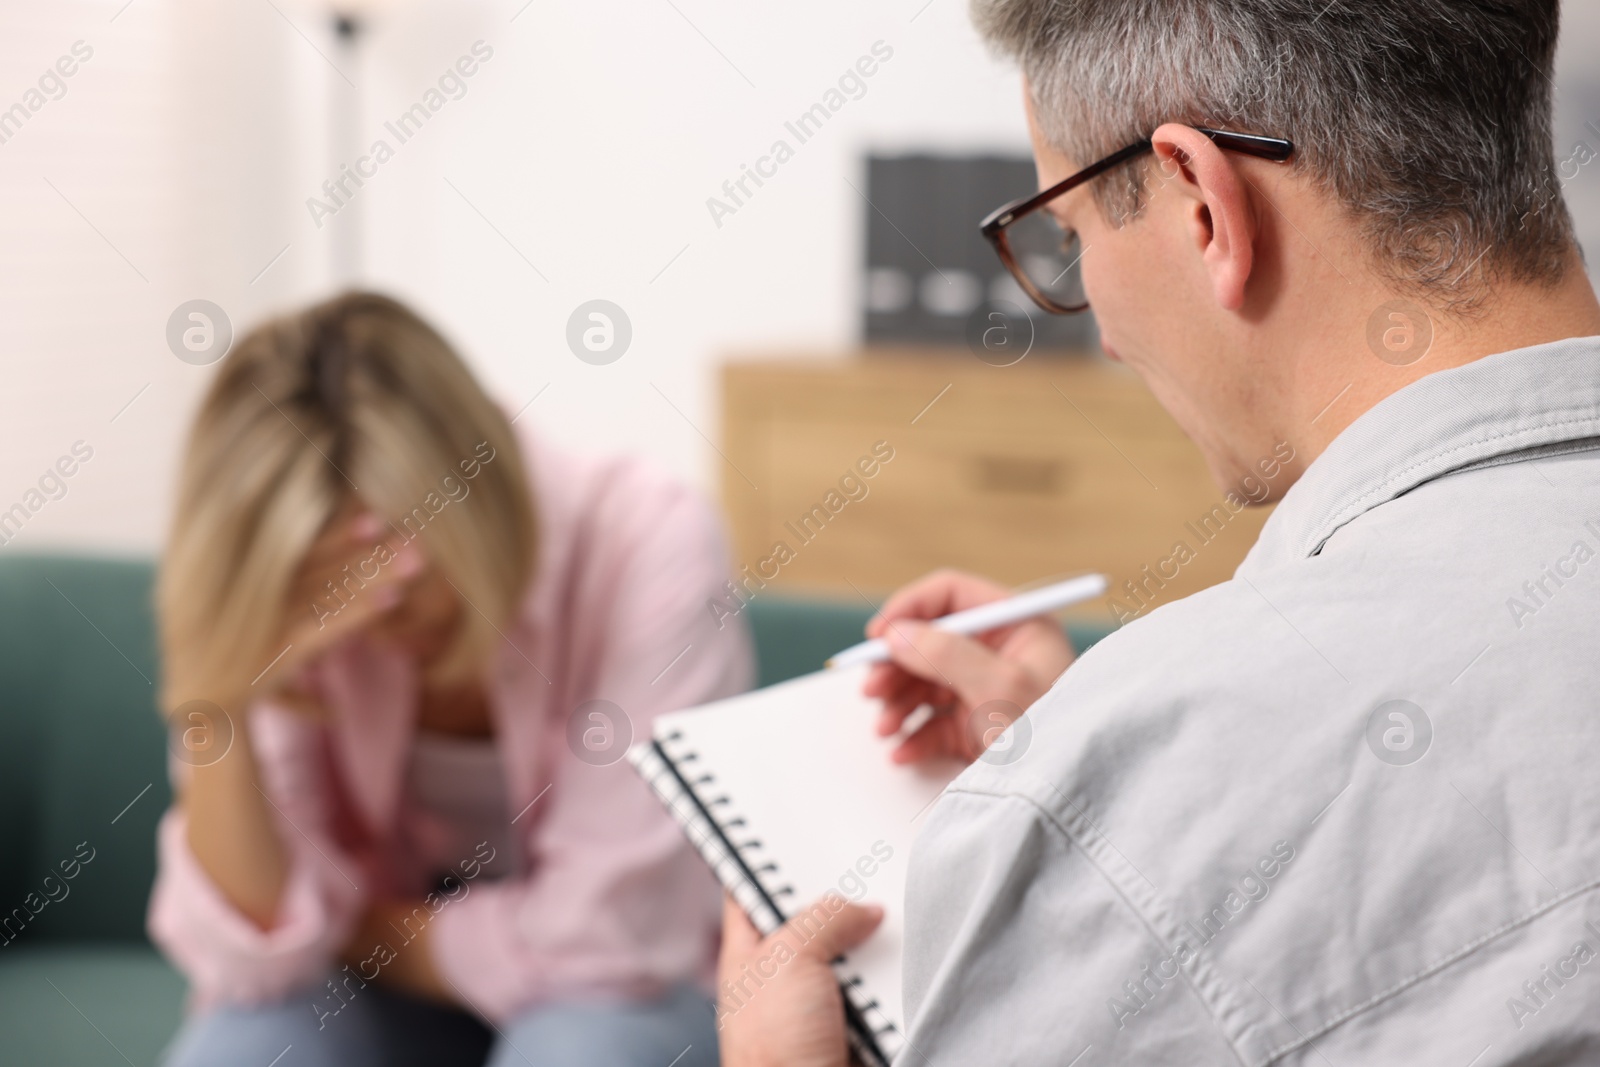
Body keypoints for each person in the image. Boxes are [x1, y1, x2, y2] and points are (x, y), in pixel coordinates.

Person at [717, 1, 1600, 1063]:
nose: (1103, 342)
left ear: (1202, 205)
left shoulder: (1131, 776)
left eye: (1070, 232)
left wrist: (1105, 793)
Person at [150, 292, 752, 1067]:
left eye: (402, 563)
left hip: (628, 1002)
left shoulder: (649, 543)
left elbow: (614, 937)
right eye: (327, 580)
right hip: (381, 1002)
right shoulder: (302, 599)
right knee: (244, 1048)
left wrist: (358, 927)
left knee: (576, 1048)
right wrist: (221, 692)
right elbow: (254, 958)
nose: (372, 615)